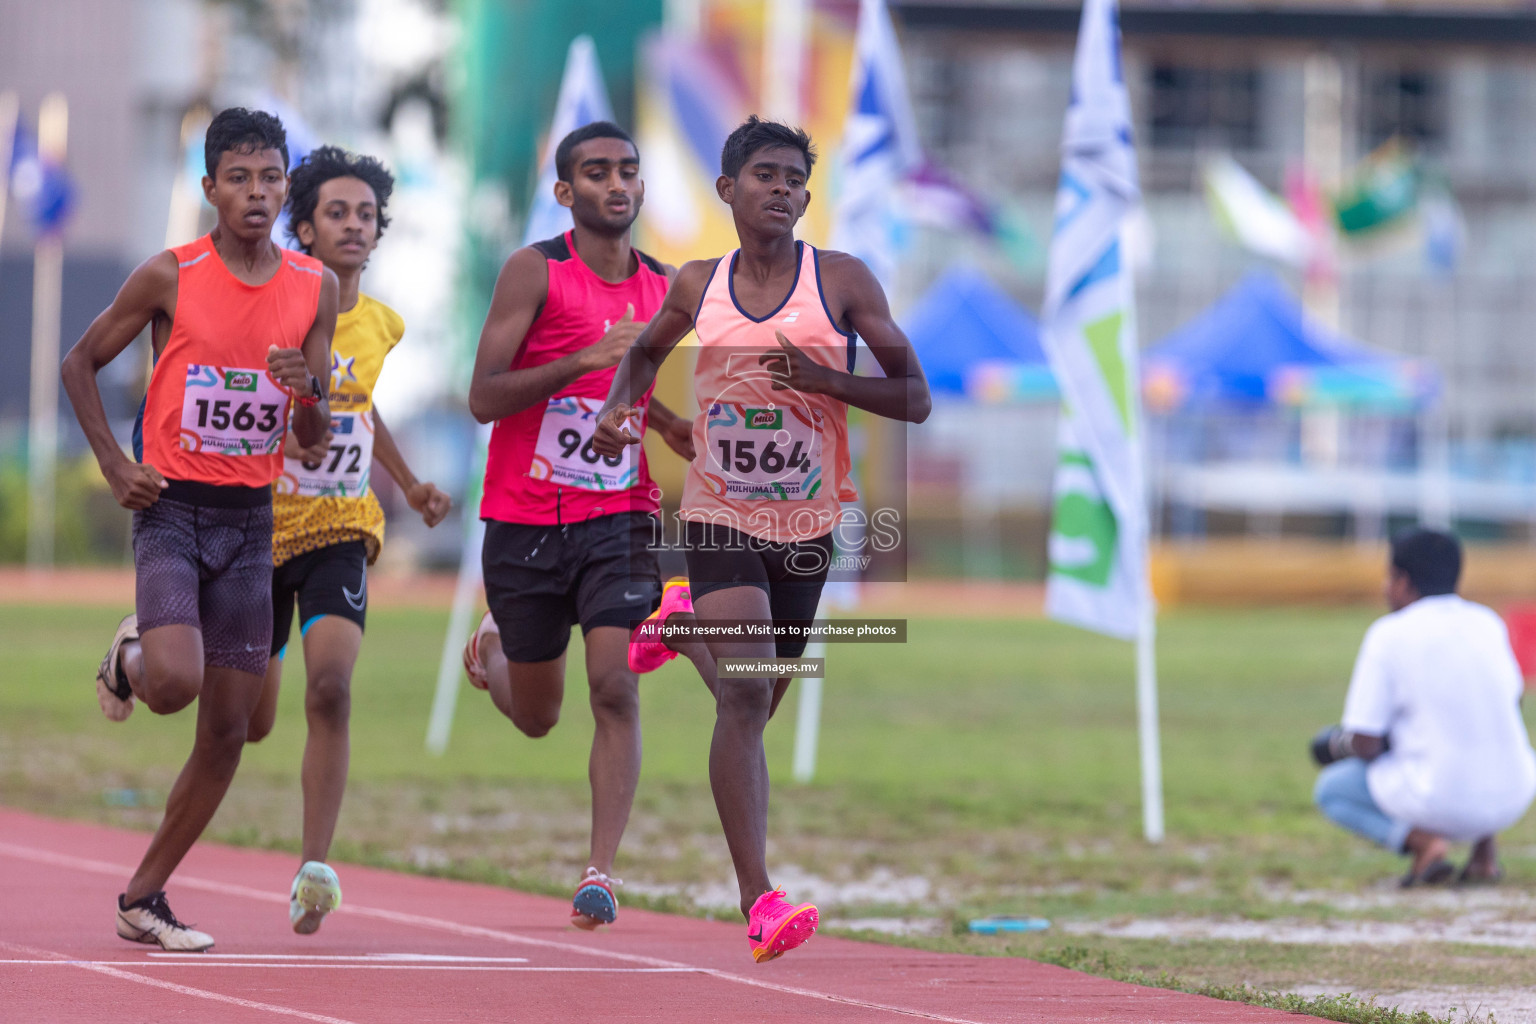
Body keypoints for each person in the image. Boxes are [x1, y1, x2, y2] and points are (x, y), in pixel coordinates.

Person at [593, 115, 931, 963]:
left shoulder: (845, 282)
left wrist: (822, 378)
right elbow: (642, 355)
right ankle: (759, 898)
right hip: (718, 511)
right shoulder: (696, 287)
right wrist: (618, 411)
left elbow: (916, 396)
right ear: (728, 190)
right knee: (744, 699)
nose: (782, 191)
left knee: (758, 696)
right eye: (766, 176)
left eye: (794, 181)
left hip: (809, 522)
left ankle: (677, 622)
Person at [61, 108, 335, 951]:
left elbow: (314, 436)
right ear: (209, 187)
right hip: (172, 509)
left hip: (251, 522)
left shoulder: (312, 287)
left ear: (287, 188)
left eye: (271, 179)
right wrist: (113, 461)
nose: (257, 195)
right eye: (240, 180)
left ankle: (144, 897)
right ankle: (129, 653)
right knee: (174, 684)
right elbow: (79, 363)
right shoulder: (168, 275)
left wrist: (308, 394)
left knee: (229, 726)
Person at [461, 120, 702, 930]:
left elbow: (629, 375)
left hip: (618, 514)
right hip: (524, 518)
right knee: (537, 716)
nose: (617, 183)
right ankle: (492, 645)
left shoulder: (669, 287)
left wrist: (664, 421)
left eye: (628, 170)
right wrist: (580, 362)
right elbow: (484, 396)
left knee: (615, 686)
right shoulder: (535, 271)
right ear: (566, 193)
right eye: (596, 172)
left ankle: (600, 872)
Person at [241, 145, 451, 935]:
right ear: (304, 227)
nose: (355, 225)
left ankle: (313, 871)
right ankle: (150, 646)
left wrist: (410, 479)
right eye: (338, 212)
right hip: (259, 528)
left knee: (331, 690)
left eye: (366, 214)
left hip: (340, 525)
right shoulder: (272, 308)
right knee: (248, 722)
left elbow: (362, 409)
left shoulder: (382, 322)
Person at [1312, 528, 1536, 886]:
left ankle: (1426, 845)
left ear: (1403, 581)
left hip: (1442, 799)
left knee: (1333, 788)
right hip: (1514, 793)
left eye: (1390, 577)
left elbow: (1366, 742)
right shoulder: (1487, 622)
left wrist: (1333, 746)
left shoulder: (1389, 634)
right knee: (1477, 734)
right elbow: (1510, 704)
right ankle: (1484, 856)